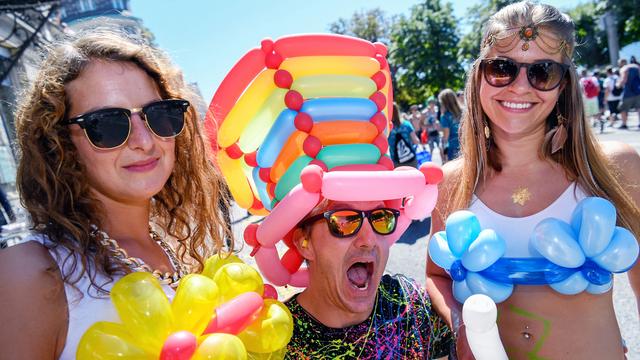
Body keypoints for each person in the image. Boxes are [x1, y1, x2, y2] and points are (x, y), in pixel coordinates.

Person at [0, 24, 231, 359]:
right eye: (108, 124)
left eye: (159, 115)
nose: (144, 140)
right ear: (61, 145)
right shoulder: (29, 272)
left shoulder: (180, 244)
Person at [426, 2, 640, 359]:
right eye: (501, 68)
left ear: (563, 85)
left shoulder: (615, 166)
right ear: (479, 75)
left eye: (542, 72)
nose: (520, 87)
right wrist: (461, 324)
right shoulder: (452, 181)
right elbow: (439, 276)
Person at [285, 199, 453, 359]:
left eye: (380, 218)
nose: (369, 240)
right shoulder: (276, 339)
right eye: (345, 220)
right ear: (304, 242)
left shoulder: (413, 305)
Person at [388, 103, 420, 168]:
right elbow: (416, 141)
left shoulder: (388, 128)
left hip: (396, 162)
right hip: (411, 160)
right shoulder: (406, 124)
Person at [438, 89, 463, 162]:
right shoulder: (465, 111)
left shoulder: (445, 116)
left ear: (444, 102)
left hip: (453, 148)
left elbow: (446, 136)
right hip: (467, 144)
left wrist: (443, 150)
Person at [617, 58, 640, 129]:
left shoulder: (624, 68)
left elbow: (624, 79)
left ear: (621, 63)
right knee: (639, 107)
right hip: (638, 91)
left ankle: (624, 124)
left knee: (622, 108)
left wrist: (618, 85)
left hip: (628, 92)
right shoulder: (636, 67)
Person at [424, 96, 443, 162]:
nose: (432, 104)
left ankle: (443, 161)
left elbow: (440, 120)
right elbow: (423, 123)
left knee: (441, 147)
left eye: (433, 102)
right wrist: (428, 125)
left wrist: (438, 124)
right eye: (430, 103)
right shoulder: (425, 112)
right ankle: (430, 162)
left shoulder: (437, 110)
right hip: (430, 132)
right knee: (431, 149)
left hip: (437, 131)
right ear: (428, 103)